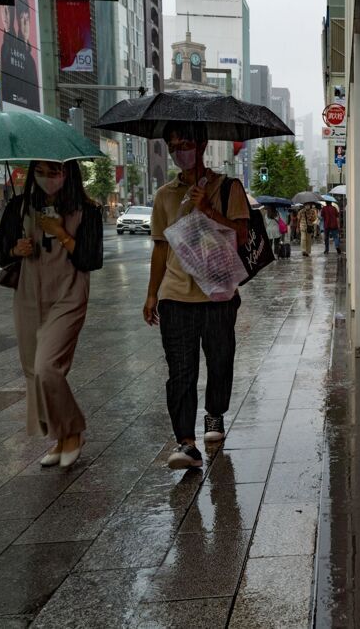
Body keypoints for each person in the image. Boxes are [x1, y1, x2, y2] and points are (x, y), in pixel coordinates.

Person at [145, 123, 251, 470]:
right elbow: (161, 248)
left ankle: (215, 414)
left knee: (220, 361)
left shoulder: (228, 187)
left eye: (186, 143)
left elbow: (242, 235)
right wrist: (151, 295)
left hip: (219, 292)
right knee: (181, 371)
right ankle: (186, 443)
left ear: (203, 144)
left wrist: (207, 209)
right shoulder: (164, 195)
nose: (180, 151)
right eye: (174, 146)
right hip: (175, 295)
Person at [0, 160, 103, 468]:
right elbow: (2, 253)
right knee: (33, 371)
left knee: (47, 368)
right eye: (39, 172)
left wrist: (61, 233)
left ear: (68, 174)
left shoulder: (88, 210)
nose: (46, 178)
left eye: (53, 171)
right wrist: (17, 250)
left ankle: (73, 430)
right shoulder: (20, 206)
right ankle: (60, 437)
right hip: (29, 295)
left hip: (68, 294)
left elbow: (90, 259)